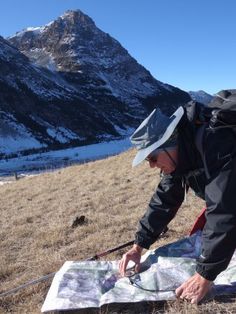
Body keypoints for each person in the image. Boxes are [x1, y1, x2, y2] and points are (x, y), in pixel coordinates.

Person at [119, 90, 236, 304]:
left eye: (153, 157)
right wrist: (138, 246)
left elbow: (225, 209)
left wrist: (205, 275)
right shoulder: (181, 155)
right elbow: (164, 200)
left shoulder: (216, 141)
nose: (152, 165)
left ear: (169, 144)